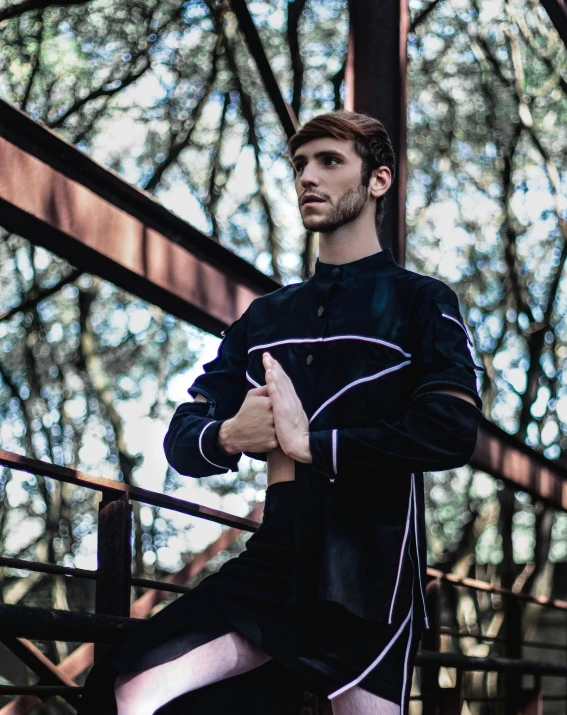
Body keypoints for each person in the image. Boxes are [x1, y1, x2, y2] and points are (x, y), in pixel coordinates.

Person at [78, 110, 484, 715]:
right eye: (299, 164)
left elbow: (452, 431)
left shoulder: (423, 302)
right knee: (131, 685)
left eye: (329, 161)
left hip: (372, 576)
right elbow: (182, 437)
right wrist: (228, 435)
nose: (307, 178)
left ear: (378, 179)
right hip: (274, 562)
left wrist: (312, 443)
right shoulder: (265, 319)